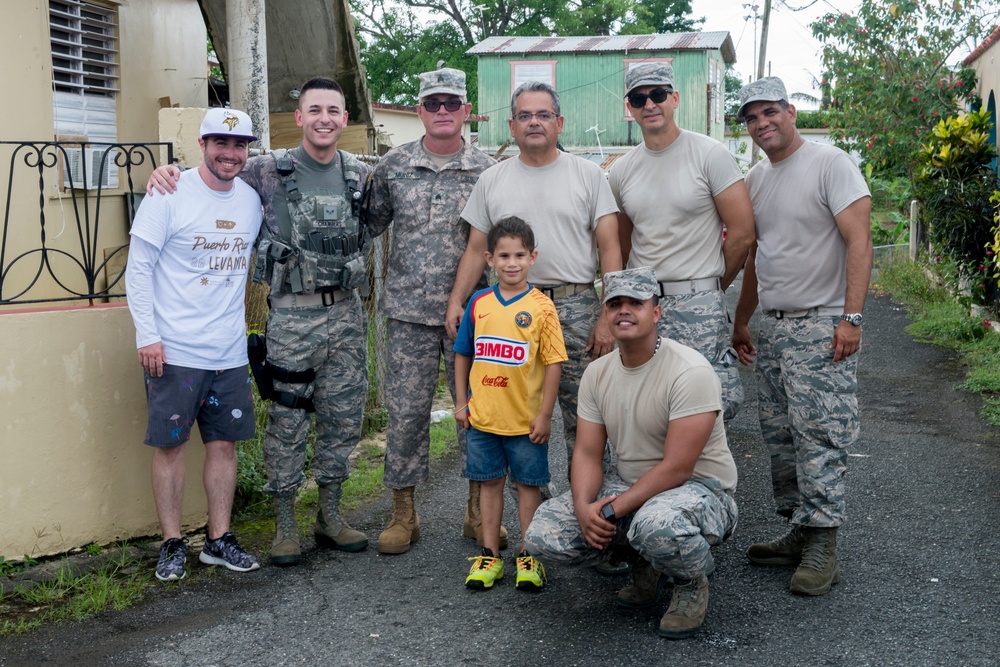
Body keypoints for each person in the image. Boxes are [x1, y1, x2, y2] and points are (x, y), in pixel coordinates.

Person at [148, 77, 372, 566]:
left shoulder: (360, 174)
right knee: (288, 421)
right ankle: (285, 525)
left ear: (344, 119)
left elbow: (374, 224)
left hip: (347, 318)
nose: (324, 119)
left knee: (342, 419)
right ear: (299, 117)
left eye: (334, 110)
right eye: (315, 110)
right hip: (292, 320)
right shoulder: (267, 170)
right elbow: (215, 171)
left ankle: (329, 517)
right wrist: (168, 172)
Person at [523, 266, 738, 638]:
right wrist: (583, 509)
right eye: (615, 303)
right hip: (630, 486)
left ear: (656, 312)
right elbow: (588, 454)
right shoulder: (598, 373)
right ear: (605, 314)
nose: (624, 310)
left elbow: (676, 468)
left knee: (657, 525)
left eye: (636, 303)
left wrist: (607, 510)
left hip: (702, 490)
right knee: (543, 534)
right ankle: (643, 560)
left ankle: (691, 581)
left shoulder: (690, 371)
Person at [731, 77, 873, 596]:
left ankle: (824, 546)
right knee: (780, 433)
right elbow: (754, 257)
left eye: (770, 112)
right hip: (774, 325)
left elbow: (860, 238)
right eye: (752, 117)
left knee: (820, 434)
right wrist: (742, 319)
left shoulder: (830, 163)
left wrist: (851, 318)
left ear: (790, 111)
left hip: (822, 322)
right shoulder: (756, 179)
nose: (762, 123)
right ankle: (799, 529)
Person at [446, 81, 622, 478]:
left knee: (587, 418)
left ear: (559, 123)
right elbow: (476, 250)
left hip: (575, 309)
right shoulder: (493, 179)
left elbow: (610, 248)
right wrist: (457, 301)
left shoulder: (589, 176)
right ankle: (535, 522)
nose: (534, 122)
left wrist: (607, 315)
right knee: (518, 418)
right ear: (511, 126)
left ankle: (592, 516)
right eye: (524, 116)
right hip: (512, 309)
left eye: (543, 115)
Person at [363, 67, 502, 556]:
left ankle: (475, 512)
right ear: (420, 110)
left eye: (452, 103)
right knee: (405, 413)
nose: (442, 111)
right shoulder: (392, 167)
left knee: (479, 411)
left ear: (466, 110)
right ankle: (404, 515)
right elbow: (367, 228)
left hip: (474, 314)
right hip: (407, 312)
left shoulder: (489, 170)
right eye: (432, 103)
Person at [127, 107, 264, 581]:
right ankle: (170, 542)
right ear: (202, 145)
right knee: (170, 447)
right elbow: (139, 267)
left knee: (223, 447)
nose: (230, 154)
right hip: (175, 349)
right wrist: (148, 335)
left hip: (227, 351)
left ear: (248, 150)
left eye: (240, 145)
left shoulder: (250, 199)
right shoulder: (169, 192)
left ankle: (217, 539)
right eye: (220, 144)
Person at [608, 61, 754, 423]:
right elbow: (623, 245)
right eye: (639, 99)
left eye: (658, 95)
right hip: (644, 304)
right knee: (646, 403)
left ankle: (706, 480)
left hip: (698, 303)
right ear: (630, 108)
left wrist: (713, 285)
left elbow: (742, 232)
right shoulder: (622, 171)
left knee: (704, 406)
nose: (649, 104)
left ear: (674, 99)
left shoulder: (709, 154)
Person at [453, 217, 567, 591]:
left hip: (525, 423)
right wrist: (460, 403)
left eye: (520, 254)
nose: (512, 262)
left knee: (528, 488)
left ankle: (529, 555)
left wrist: (545, 414)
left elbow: (553, 363)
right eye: (504, 255)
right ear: (489, 259)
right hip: (484, 419)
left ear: (533, 257)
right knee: (489, 484)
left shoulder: (541, 308)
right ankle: (489, 555)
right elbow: (462, 354)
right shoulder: (479, 302)